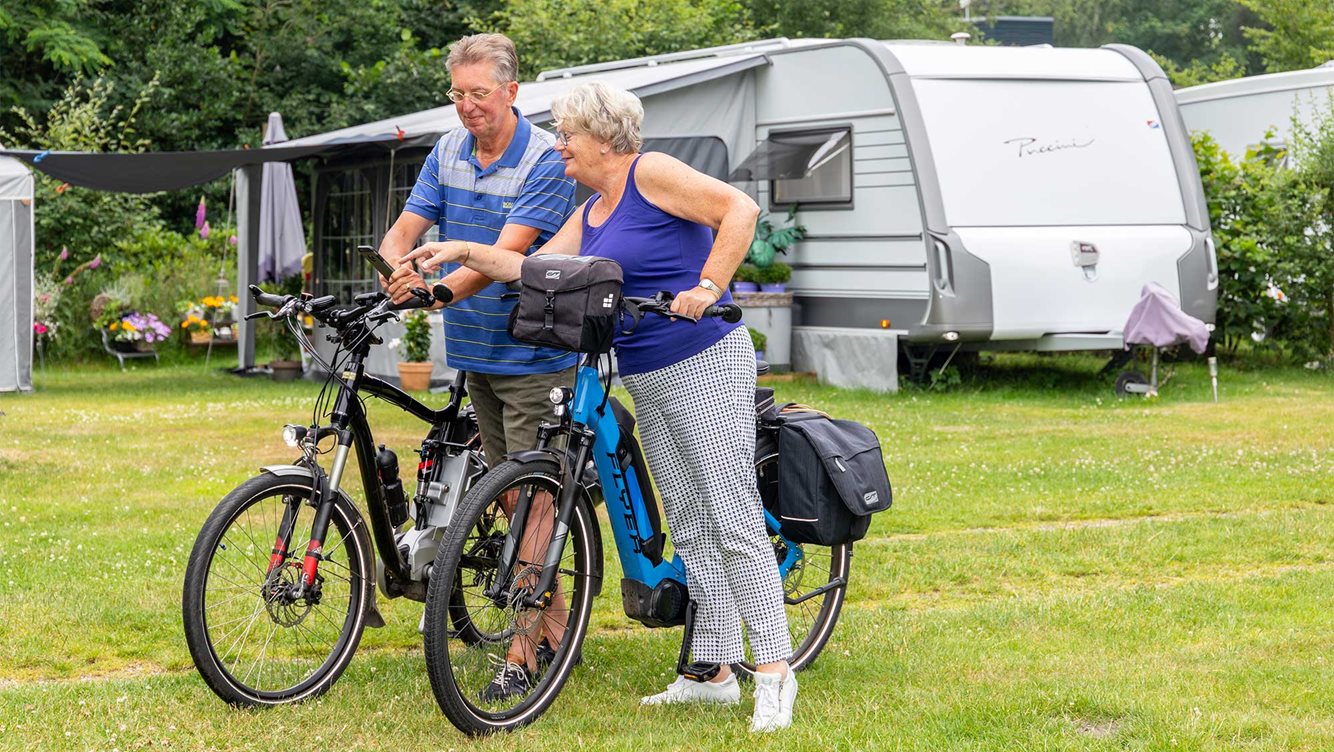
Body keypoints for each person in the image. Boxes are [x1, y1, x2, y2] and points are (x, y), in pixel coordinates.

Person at [403, 81, 798, 733]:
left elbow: (740, 209)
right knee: (693, 524)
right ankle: (716, 673)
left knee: (729, 515)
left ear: (599, 136)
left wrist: (707, 286)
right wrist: (463, 252)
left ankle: (776, 671)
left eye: (564, 135)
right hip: (648, 373)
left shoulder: (651, 174)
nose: (557, 146)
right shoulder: (593, 212)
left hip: (705, 360)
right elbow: (531, 266)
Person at [377, 33, 577, 701]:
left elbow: (499, 257)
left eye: (478, 94)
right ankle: (556, 629)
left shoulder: (547, 159)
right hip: (474, 353)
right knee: (511, 497)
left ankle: (522, 652)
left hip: (533, 354)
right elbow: (405, 226)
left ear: (512, 91)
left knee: (531, 501)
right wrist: (395, 263)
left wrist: (432, 291)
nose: (466, 106)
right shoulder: (447, 149)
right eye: (457, 94)